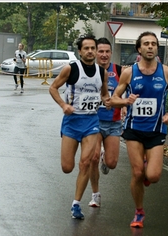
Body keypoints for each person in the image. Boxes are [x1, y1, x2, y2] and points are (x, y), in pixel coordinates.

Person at [109, 31, 168, 228]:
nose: (150, 46)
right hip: (133, 129)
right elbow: (113, 99)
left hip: (157, 130)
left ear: (157, 48)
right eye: (146, 44)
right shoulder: (129, 73)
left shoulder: (166, 72)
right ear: (139, 49)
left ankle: (149, 167)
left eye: (153, 44)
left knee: (153, 176)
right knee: (138, 172)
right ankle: (139, 212)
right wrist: (125, 100)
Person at [48, 34, 110, 220]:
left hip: (91, 122)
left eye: (93, 48)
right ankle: (77, 199)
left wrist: (114, 102)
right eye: (87, 48)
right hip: (72, 122)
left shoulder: (102, 72)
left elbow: (105, 95)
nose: (90, 51)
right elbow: (53, 88)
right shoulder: (71, 69)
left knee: (85, 163)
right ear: (80, 51)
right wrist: (63, 105)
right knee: (67, 167)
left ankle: (76, 204)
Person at [87, 37, 126, 208]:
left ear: (111, 53)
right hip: (93, 122)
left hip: (113, 123)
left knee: (112, 163)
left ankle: (105, 158)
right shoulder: (88, 71)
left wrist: (125, 106)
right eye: (100, 51)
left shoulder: (119, 70)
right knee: (92, 158)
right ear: (95, 53)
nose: (104, 55)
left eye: (107, 52)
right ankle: (95, 194)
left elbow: (133, 91)